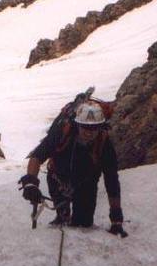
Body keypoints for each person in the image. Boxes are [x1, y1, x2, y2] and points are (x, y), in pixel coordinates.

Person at [19, 98, 126, 236]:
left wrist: (116, 218)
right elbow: (38, 156)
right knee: (63, 219)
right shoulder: (61, 132)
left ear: (100, 127)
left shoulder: (104, 145)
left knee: (83, 224)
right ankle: (62, 216)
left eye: (94, 128)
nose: (89, 132)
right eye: (85, 127)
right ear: (77, 125)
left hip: (86, 184)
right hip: (58, 179)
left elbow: (111, 180)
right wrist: (30, 183)